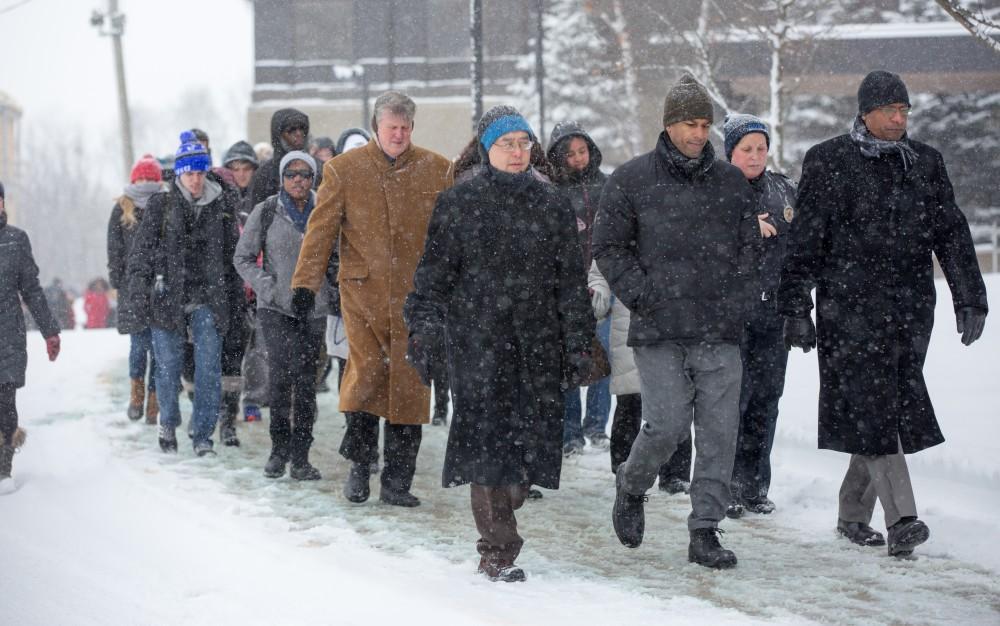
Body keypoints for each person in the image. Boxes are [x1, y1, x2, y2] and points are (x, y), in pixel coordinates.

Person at [778, 70, 988, 558]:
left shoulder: (925, 163)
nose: (899, 119)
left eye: (905, 110)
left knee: (881, 411)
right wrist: (796, 306)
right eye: (890, 110)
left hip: (911, 310)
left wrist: (970, 296)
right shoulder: (828, 161)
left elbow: (951, 233)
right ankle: (903, 520)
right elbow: (806, 240)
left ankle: (852, 514)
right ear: (865, 112)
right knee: (876, 408)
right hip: (847, 310)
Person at [404, 105, 594, 582]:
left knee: (529, 450)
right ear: (487, 149)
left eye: (524, 143)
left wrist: (578, 342)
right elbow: (433, 278)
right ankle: (497, 549)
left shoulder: (553, 205)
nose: (517, 152)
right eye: (507, 143)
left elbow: (570, 282)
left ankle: (506, 512)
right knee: (489, 447)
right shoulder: (458, 204)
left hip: (537, 344)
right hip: (477, 344)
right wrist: (424, 330)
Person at [595, 74, 760, 569]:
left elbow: (751, 248)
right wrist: (645, 294)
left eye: (705, 123)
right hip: (659, 330)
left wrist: (738, 301)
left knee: (718, 432)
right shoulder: (631, 179)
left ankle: (704, 530)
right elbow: (607, 247)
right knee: (666, 425)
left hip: (718, 330)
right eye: (690, 122)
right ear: (668, 125)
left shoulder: (731, 181)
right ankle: (631, 485)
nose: (698, 132)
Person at [290, 91, 453, 507]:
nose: (397, 135)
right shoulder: (345, 170)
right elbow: (321, 231)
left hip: (418, 300)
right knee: (365, 380)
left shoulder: (436, 169)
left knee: (412, 386)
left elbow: (450, 236)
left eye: (404, 128)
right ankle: (360, 468)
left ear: (412, 129)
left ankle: (398, 483)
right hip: (362, 296)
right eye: (390, 128)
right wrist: (305, 285)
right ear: (377, 127)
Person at [127, 131, 243, 456]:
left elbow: (231, 259)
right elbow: (141, 254)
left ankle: (203, 434)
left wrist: (234, 304)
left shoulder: (220, 206)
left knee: (208, 369)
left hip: (208, 297)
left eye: (199, 172)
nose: (195, 180)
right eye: (189, 173)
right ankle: (169, 421)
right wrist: (139, 294)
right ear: (179, 173)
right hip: (167, 296)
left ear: (206, 171)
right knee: (167, 366)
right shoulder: (161, 206)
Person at [235, 151, 334, 480]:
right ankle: (279, 450)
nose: (298, 180)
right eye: (291, 174)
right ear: (281, 177)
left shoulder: (326, 209)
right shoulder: (266, 211)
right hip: (276, 309)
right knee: (280, 379)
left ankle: (302, 456)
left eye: (305, 174)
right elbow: (243, 257)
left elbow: (339, 256)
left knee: (307, 382)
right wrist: (269, 287)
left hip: (314, 308)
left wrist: (328, 292)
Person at [721, 113, 798, 518]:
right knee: (734, 400)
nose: (754, 156)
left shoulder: (783, 191)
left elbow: (802, 250)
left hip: (773, 315)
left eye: (760, 149)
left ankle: (754, 485)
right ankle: (726, 485)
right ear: (730, 151)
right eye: (746, 149)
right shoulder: (714, 190)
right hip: (729, 317)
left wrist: (799, 306)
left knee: (766, 400)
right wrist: (745, 227)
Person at [588, 261, 691, 492]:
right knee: (630, 399)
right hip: (630, 322)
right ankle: (625, 469)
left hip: (676, 317)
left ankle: (675, 473)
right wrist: (598, 295)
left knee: (676, 401)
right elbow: (601, 269)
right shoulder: (620, 225)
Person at [547, 121, 613, 454]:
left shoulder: (609, 186)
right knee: (569, 360)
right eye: (570, 154)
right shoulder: (551, 191)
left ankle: (597, 426)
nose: (577, 159)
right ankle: (570, 432)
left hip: (604, 281)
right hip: (565, 287)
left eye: (582, 151)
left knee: (604, 354)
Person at [0, 180, 61, 488]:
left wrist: (50, 330)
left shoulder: (16, 240)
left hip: (7, 332)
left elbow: (32, 290)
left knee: (5, 399)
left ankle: (4, 465)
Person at [108, 154, 164, 423]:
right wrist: (119, 283)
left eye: (149, 178)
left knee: (160, 348)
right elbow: (114, 249)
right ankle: (136, 395)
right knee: (139, 345)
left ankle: (154, 401)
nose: (144, 183)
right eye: (140, 178)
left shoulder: (165, 205)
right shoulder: (122, 207)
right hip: (132, 290)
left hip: (161, 287)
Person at [222, 140, 268, 422]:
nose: (241, 174)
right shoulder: (221, 200)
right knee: (232, 349)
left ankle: (253, 399)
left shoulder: (262, 199)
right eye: (235, 168)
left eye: (246, 168)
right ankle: (228, 404)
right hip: (231, 286)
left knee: (258, 350)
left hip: (260, 282)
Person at [248, 108, 309, 211]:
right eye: (291, 130)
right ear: (279, 135)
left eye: (302, 128)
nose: (298, 133)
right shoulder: (264, 174)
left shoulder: (320, 168)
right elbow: (255, 217)